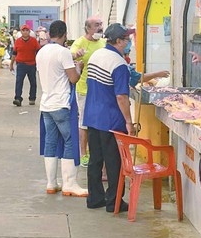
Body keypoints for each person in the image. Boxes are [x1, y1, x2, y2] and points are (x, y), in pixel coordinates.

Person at [83, 23, 136, 213]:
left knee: (96, 159)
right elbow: (121, 97)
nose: (129, 42)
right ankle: (114, 201)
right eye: (127, 39)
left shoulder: (97, 55)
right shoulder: (119, 63)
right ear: (119, 41)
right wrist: (129, 122)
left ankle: (95, 197)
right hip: (111, 119)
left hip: (92, 115)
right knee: (114, 162)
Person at [36, 20, 88, 197]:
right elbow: (73, 79)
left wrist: (72, 59)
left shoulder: (42, 51)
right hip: (61, 103)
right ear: (65, 34)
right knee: (69, 140)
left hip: (46, 104)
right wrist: (79, 68)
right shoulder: (64, 52)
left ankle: (51, 183)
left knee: (50, 141)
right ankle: (70, 184)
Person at [70, 17, 105, 167]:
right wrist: (76, 55)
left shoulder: (103, 43)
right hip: (85, 88)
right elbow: (69, 55)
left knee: (99, 122)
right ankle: (83, 153)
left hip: (102, 89)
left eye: (101, 25)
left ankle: (95, 151)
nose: (100, 28)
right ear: (88, 28)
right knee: (84, 122)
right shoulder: (80, 43)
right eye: (97, 25)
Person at [10, 24, 41, 106]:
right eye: (23, 30)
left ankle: (32, 98)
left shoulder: (34, 41)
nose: (25, 32)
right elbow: (14, 53)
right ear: (21, 32)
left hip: (32, 64)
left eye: (27, 30)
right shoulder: (18, 41)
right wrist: (11, 64)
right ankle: (17, 98)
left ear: (29, 32)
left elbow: (38, 52)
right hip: (21, 64)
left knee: (33, 82)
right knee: (19, 81)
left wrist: (40, 63)